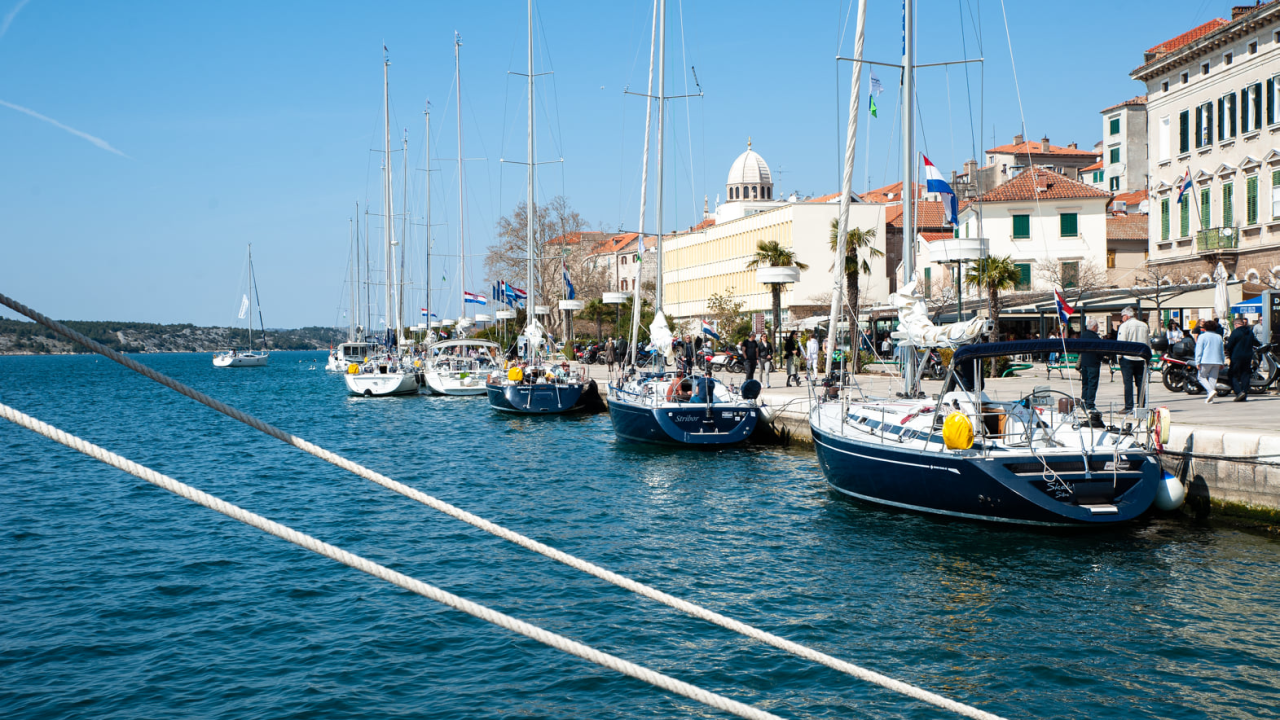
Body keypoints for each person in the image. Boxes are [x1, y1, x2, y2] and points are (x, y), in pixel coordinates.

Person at [1115, 306, 1150, 412]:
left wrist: (1119, 357)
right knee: (1141, 383)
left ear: (1126, 316)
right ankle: (1141, 405)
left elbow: (1121, 343)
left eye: (1122, 316)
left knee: (1128, 383)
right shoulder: (1144, 325)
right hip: (1141, 358)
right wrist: (1148, 357)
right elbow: (1148, 342)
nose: (1122, 319)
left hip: (1128, 357)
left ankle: (1129, 406)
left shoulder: (1124, 326)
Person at [1225, 316, 1259, 401]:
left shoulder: (1235, 332)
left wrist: (1226, 349)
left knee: (1232, 375)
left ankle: (1239, 392)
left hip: (1236, 356)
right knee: (1245, 375)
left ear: (1236, 324)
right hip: (1248, 356)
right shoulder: (1250, 332)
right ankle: (1244, 393)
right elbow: (1256, 342)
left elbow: (1229, 345)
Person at [1194, 319, 1225, 403]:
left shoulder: (1202, 336)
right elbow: (1221, 351)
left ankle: (1210, 391)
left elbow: (1199, 350)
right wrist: (1222, 361)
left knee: (1201, 377)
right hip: (1217, 360)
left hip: (1206, 360)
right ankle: (1210, 398)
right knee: (1213, 379)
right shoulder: (1219, 337)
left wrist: (1197, 361)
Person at [1079, 318, 1103, 413]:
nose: (1097, 328)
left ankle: (1084, 401)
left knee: (1085, 383)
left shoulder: (1083, 336)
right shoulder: (1095, 338)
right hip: (1093, 363)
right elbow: (1100, 351)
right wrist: (1101, 358)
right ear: (1093, 327)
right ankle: (1090, 403)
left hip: (1084, 362)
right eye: (1097, 326)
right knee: (1092, 384)